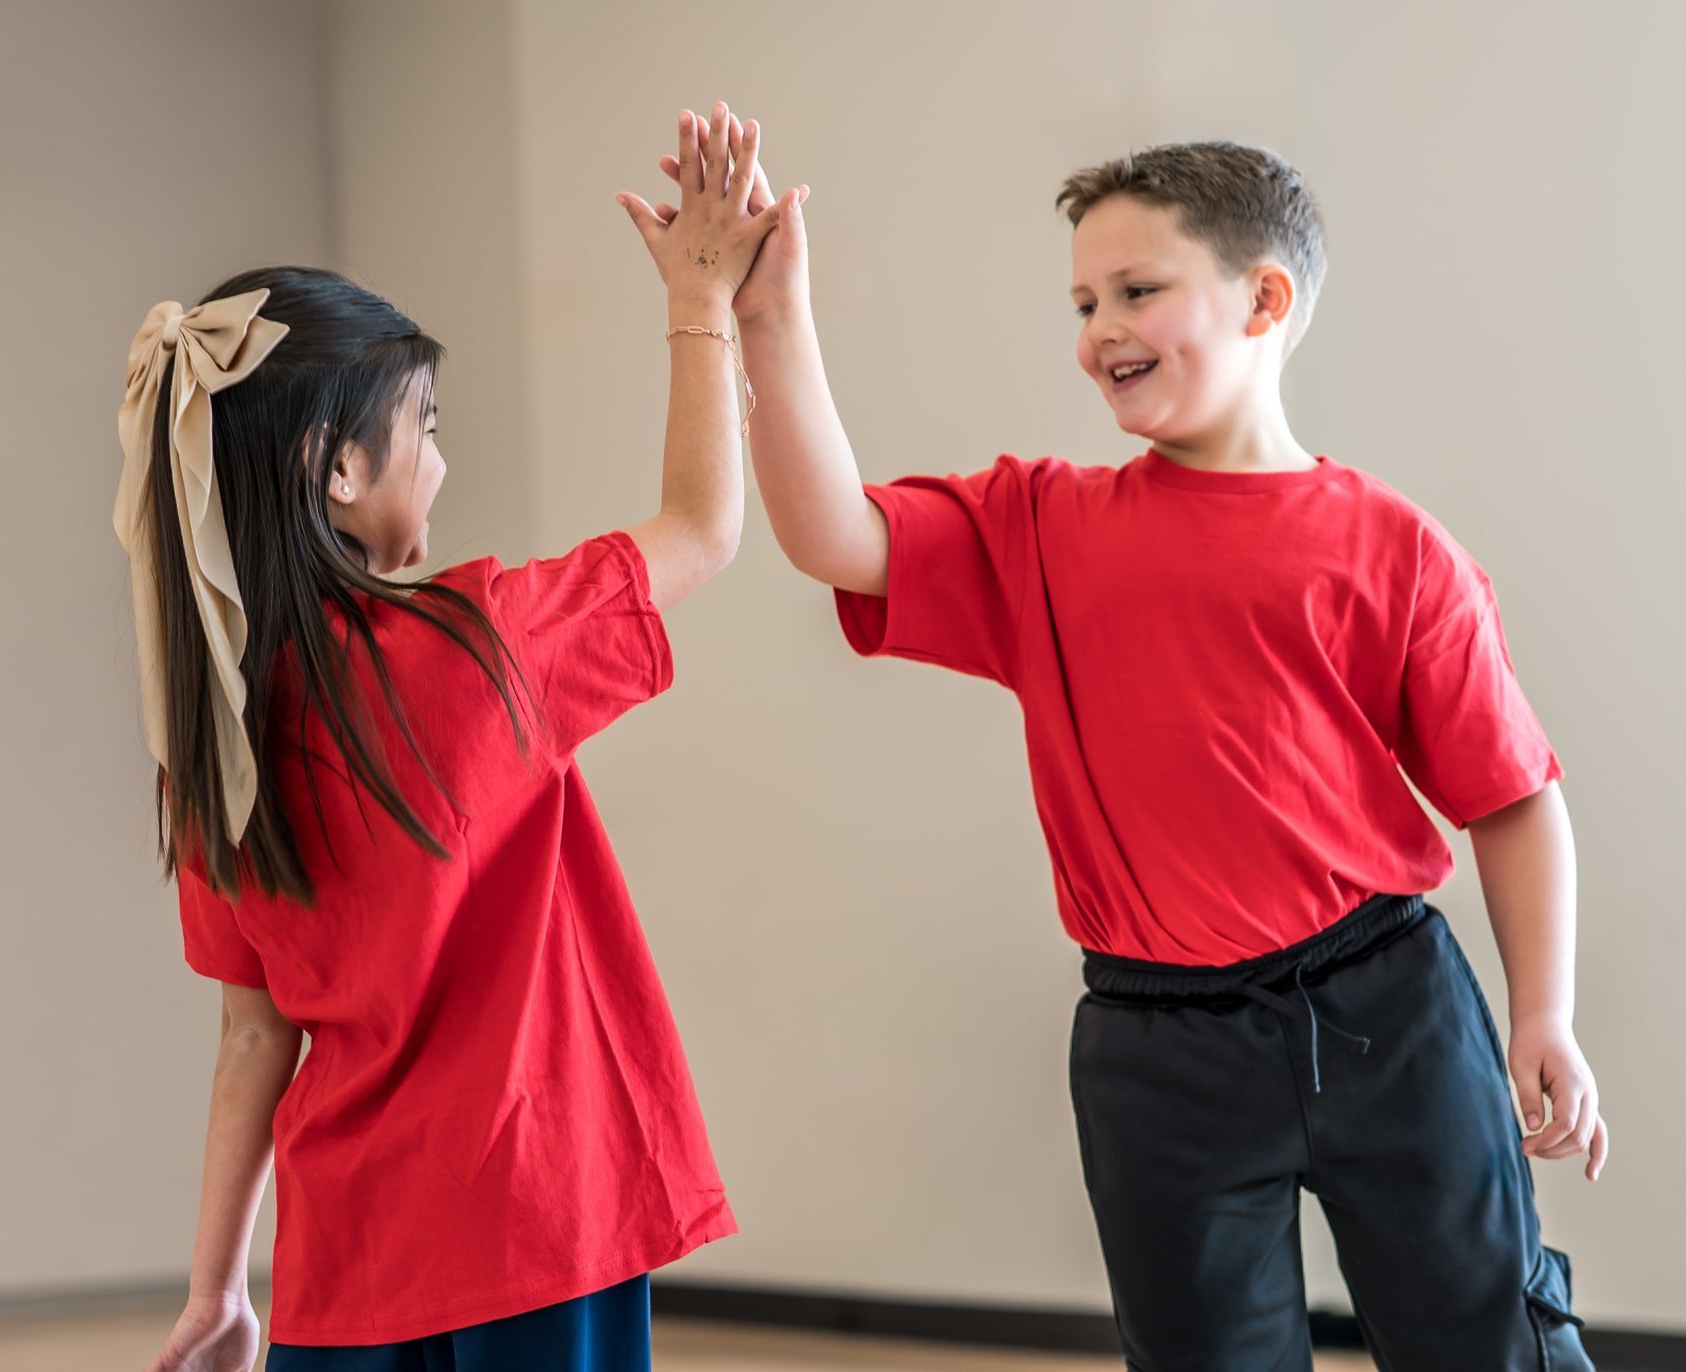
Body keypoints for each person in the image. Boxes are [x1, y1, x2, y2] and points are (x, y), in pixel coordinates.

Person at [671, 130, 1606, 1370]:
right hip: (1157, 1048)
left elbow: (1513, 796)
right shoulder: (1045, 525)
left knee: (1489, 1342)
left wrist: (1544, 1013)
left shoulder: (1394, 547)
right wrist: (771, 315)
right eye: (1083, 301)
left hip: (1388, 1009)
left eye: (1137, 291)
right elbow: (836, 534)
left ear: (1264, 300)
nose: (1099, 326)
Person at [122, 102, 776, 1372]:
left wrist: (216, 1288)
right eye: (421, 425)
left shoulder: (206, 742)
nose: (437, 456)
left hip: (342, 1265)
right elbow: (703, 523)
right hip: (543, 1220)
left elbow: (254, 1037)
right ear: (336, 468)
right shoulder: (486, 642)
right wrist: (704, 301)